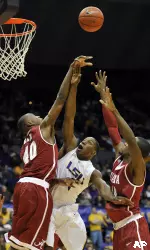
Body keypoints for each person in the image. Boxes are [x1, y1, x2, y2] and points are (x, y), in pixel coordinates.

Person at [6, 56, 92, 250]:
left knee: (20, 242)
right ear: (29, 124)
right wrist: (71, 70)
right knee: (33, 245)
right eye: (35, 116)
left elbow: (41, 169)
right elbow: (60, 100)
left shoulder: (26, 146)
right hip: (36, 191)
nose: (40, 116)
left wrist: (60, 181)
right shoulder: (41, 129)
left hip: (22, 188)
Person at [45, 64, 133, 250]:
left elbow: (103, 189)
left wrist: (114, 198)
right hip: (48, 204)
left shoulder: (92, 172)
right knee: (45, 245)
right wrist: (74, 86)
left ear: (93, 153)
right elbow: (69, 117)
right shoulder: (70, 147)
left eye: (87, 144)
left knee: (79, 245)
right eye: (83, 141)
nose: (82, 143)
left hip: (68, 210)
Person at [91, 71, 150, 249]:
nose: (122, 143)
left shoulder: (137, 167)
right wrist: (104, 99)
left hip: (134, 226)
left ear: (135, 151)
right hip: (120, 229)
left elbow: (130, 138)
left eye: (128, 144)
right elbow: (111, 126)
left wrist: (115, 109)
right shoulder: (120, 156)